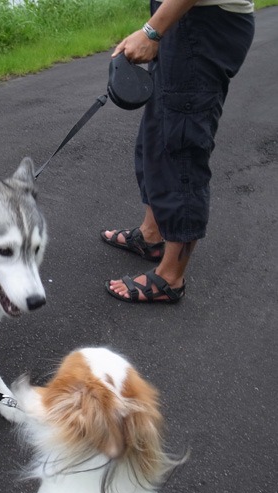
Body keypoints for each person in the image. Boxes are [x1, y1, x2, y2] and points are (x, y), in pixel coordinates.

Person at [101, 0, 255, 303]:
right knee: (157, 134)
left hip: (204, 21)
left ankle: (171, 277)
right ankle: (152, 235)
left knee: (181, 145)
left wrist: (152, 31)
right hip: (183, 16)